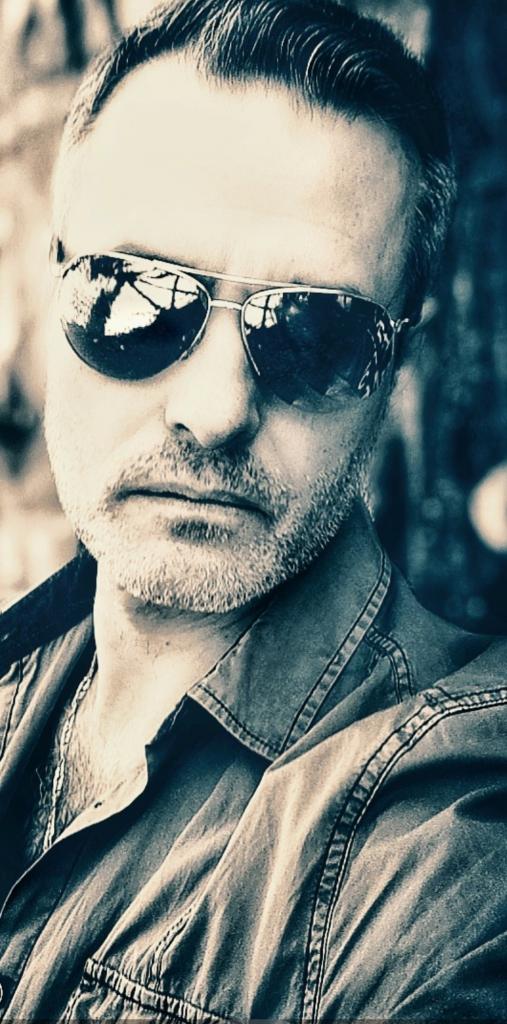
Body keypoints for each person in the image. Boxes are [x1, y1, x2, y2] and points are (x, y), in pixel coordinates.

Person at [0, 1, 506, 1020]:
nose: (214, 409)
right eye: (134, 295)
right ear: (52, 289)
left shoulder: (440, 845)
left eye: (315, 334)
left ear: (393, 367)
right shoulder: (24, 670)